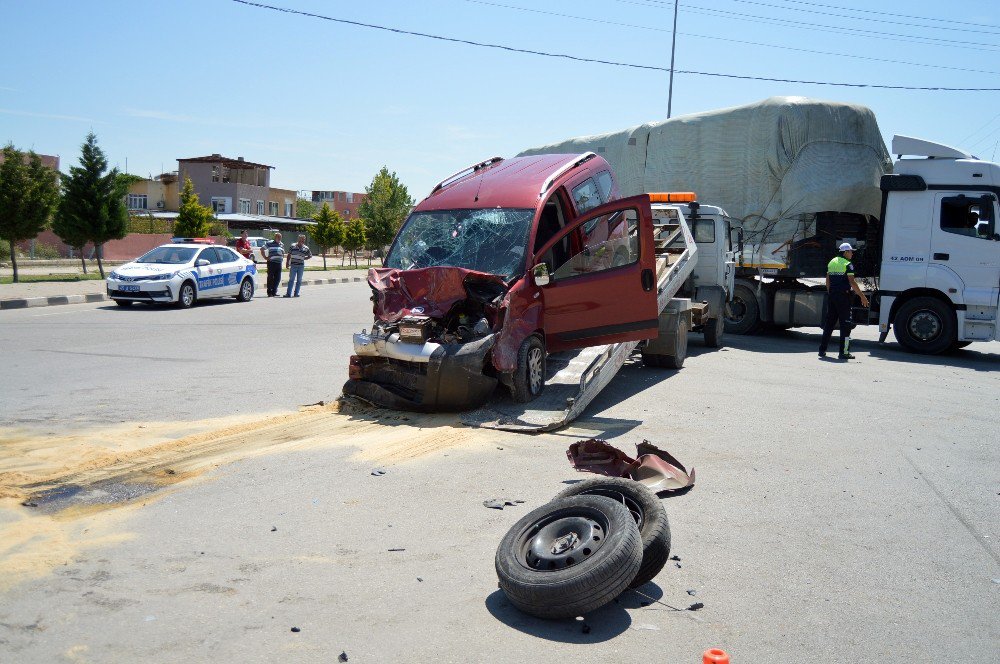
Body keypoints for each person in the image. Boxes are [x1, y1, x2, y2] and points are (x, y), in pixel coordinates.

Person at [819, 242, 869, 360]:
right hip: (843, 297)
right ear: (845, 252)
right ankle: (844, 353)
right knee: (845, 325)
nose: (852, 254)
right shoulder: (848, 264)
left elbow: (827, 280)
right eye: (851, 251)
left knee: (829, 324)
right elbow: (852, 282)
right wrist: (862, 296)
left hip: (833, 296)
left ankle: (822, 350)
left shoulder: (832, 262)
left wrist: (830, 292)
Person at [261, 232, 285, 297]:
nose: (279, 238)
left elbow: (283, 252)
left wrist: (282, 257)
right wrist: (265, 257)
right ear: (275, 237)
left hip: (279, 263)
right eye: (278, 237)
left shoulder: (281, 244)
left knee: (278, 278)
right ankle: (269, 292)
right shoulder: (270, 243)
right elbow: (262, 249)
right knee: (270, 277)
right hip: (271, 263)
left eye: (280, 237)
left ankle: (274, 291)